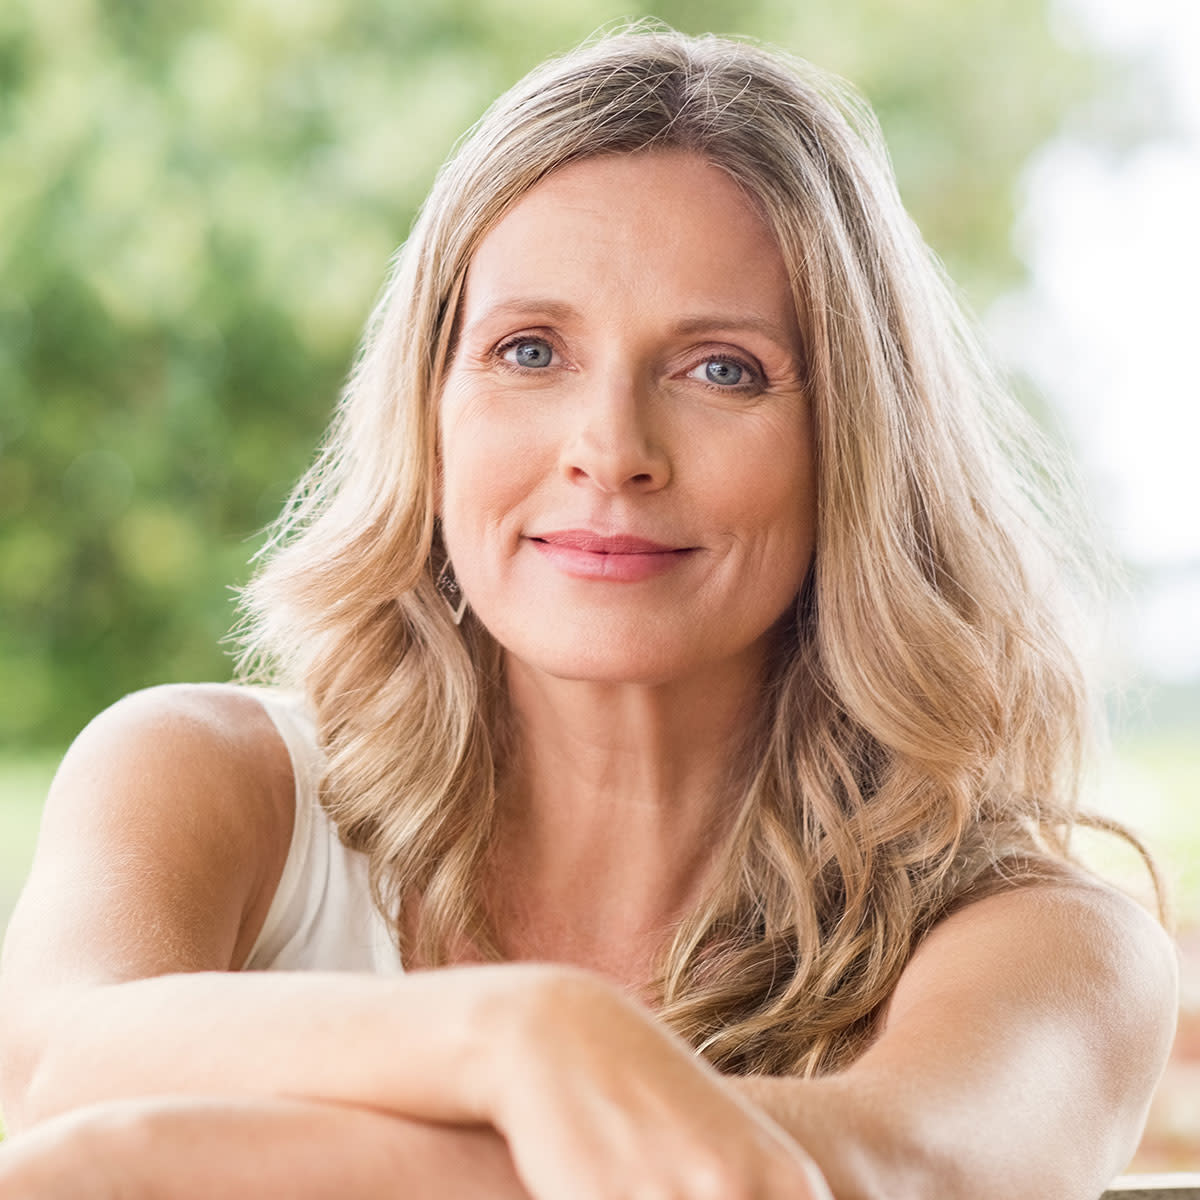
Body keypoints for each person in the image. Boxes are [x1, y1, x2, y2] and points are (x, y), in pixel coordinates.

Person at [0, 25, 1177, 1200]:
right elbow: (49, 1065)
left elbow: (874, 1175)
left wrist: (153, 1155)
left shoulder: (1054, 948)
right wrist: (517, 1037)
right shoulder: (210, 781)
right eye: (528, 350)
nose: (611, 452)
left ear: (856, 448)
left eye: (721, 368)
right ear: (431, 412)